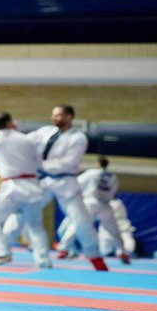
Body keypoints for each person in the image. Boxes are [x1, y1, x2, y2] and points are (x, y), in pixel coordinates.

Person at [31, 105, 107, 270]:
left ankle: (94, 256)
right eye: (54, 115)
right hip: (43, 182)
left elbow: (68, 163)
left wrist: (40, 165)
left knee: (81, 220)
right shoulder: (44, 132)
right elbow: (24, 142)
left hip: (66, 183)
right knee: (26, 214)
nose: (55, 118)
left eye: (59, 115)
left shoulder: (78, 138)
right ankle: (12, 253)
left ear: (69, 117)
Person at [0, 112, 52, 268]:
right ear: (10, 122)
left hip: (12, 187)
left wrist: (0, 129)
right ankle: (44, 260)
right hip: (33, 186)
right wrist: (15, 130)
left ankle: (2, 253)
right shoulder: (27, 140)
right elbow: (38, 162)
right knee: (35, 226)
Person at [56, 156, 131, 264]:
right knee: (113, 229)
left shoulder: (91, 173)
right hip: (105, 204)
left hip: (90, 202)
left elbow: (76, 183)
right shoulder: (113, 177)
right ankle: (121, 251)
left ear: (98, 163)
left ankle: (64, 248)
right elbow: (113, 191)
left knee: (78, 224)